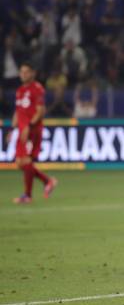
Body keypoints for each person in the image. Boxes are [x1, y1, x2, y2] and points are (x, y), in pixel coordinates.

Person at [6, 62, 58, 203]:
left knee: (26, 161)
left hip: (32, 131)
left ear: (33, 73)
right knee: (19, 162)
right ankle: (48, 181)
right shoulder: (20, 91)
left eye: (26, 72)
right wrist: (12, 129)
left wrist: (29, 126)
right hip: (23, 130)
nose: (23, 74)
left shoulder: (37, 89)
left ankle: (27, 196)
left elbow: (40, 111)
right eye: (21, 72)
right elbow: (18, 112)